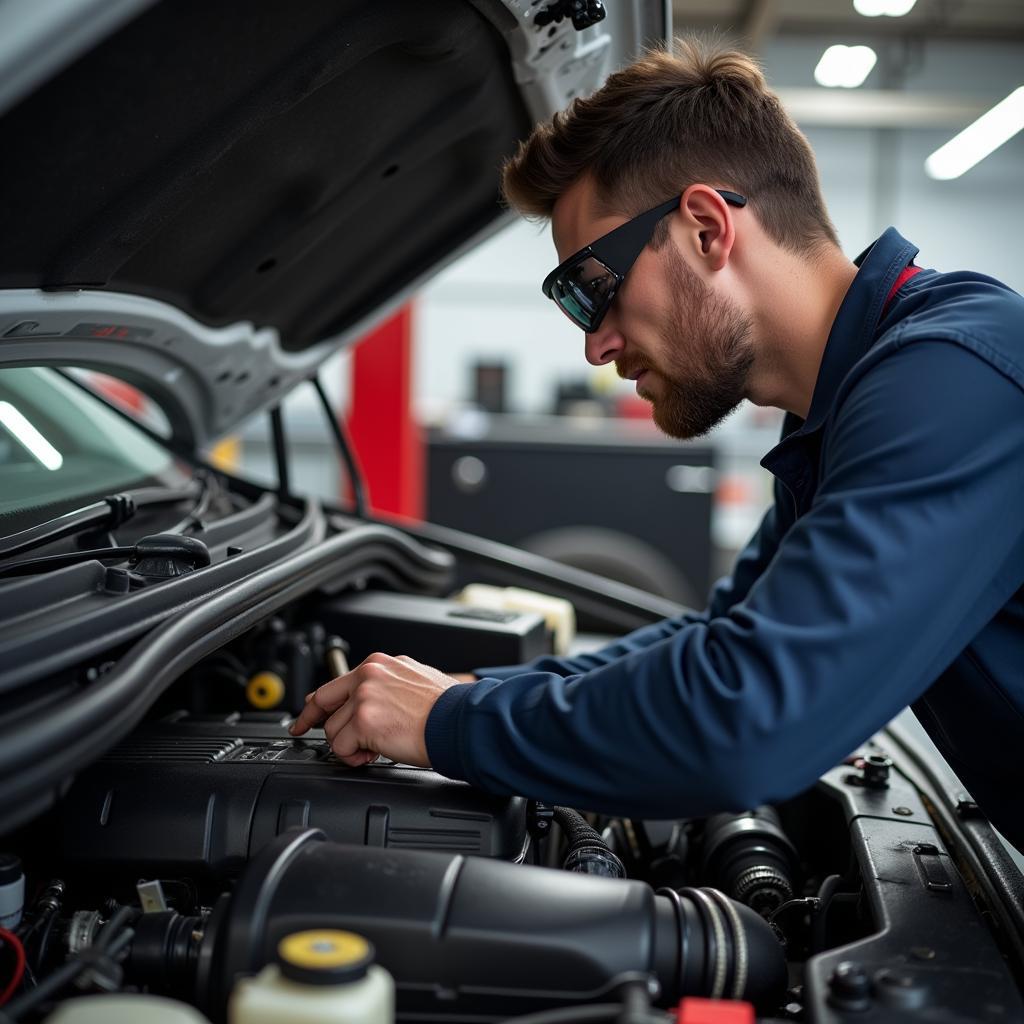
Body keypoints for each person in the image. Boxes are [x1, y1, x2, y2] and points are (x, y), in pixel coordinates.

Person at [291, 37, 1024, 848]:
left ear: (707, 229)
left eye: (590, 290)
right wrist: (467, 690)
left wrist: (454, 723)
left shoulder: (957, 375)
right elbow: (725, 634)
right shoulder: (840, 409)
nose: (595, 346)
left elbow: (748, 717)